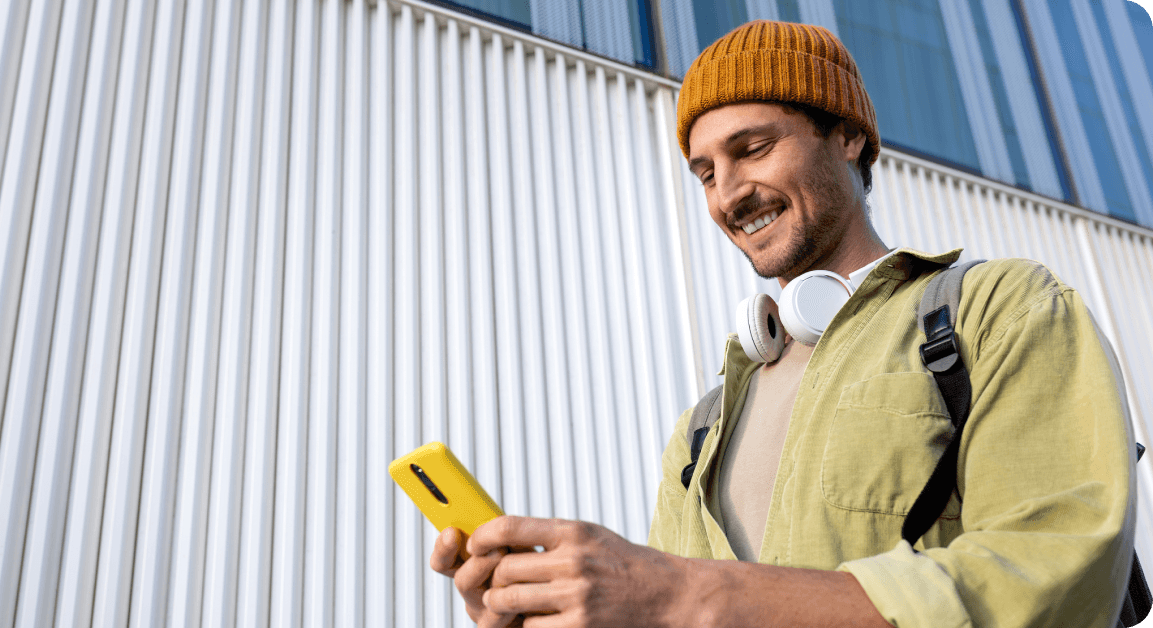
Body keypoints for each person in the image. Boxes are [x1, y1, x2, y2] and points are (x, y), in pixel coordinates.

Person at [430, 20, 1136, 627]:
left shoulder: (998, 310)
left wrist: (687, 593)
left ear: (850, 137)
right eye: (705, 172)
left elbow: (1056, 569)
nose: (728, 194)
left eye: (753, 148)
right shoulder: (701, 429)